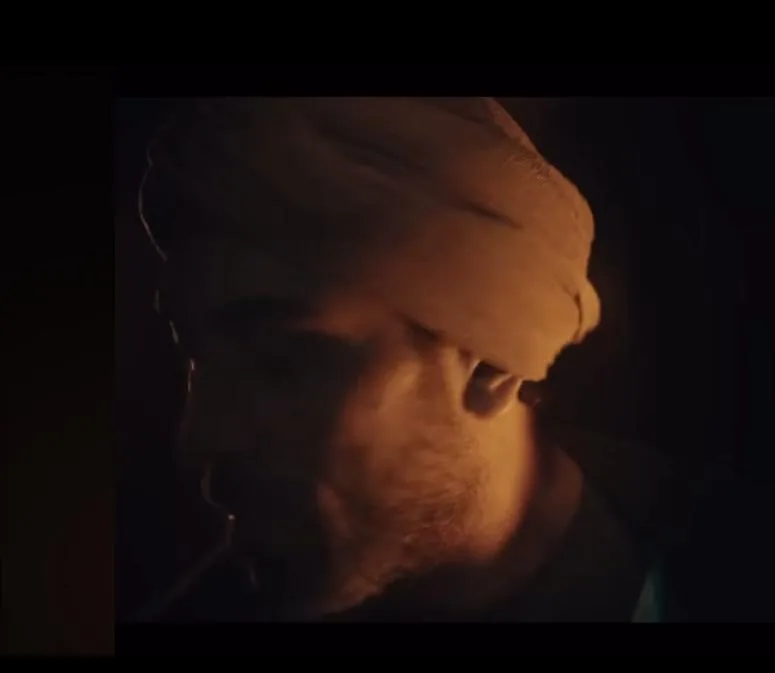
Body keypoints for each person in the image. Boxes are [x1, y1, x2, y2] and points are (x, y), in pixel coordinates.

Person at [134, 97, 701, 622]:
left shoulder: (740, 577)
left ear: (488, 365)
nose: (200, 437)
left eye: (283, 360)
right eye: (196, 359)